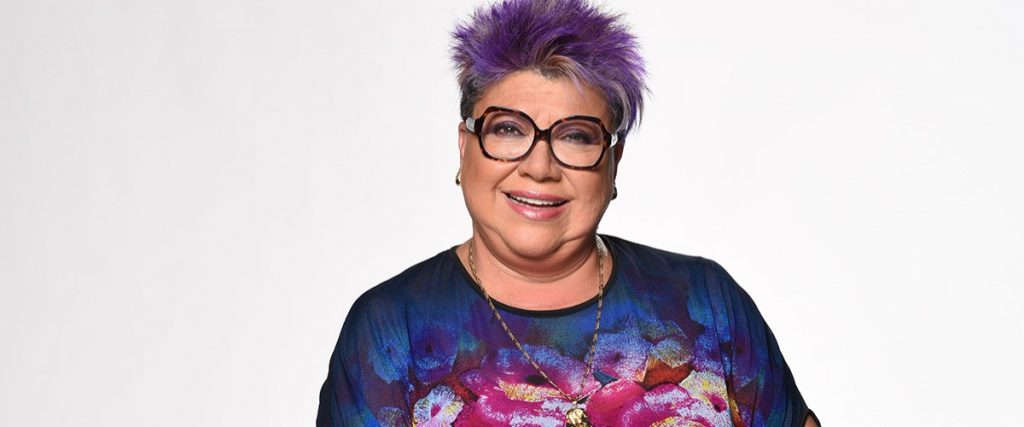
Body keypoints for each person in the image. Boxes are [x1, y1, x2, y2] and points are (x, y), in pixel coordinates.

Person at [317, 0, 818, 425]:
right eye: (508, 129)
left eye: (576, 136)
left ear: (613, 161)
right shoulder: (392, 330)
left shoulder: (706, 304)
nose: (539, 167)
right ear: (465, 146)